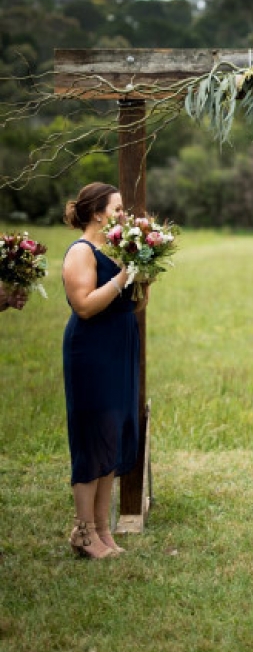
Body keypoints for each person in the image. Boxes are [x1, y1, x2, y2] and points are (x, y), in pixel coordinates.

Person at [61, 182, 141, 559]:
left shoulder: (114, 250)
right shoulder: (82, 251)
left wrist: (144, 275)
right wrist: (124, 275)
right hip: (91, 350)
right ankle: (83, 531)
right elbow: (85, 306)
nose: (123, 215)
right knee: (92, 435)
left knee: (112, 432)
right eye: (118, 208)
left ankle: (103, 530)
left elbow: (133, 304)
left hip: (120, 346)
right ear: (97, 213)